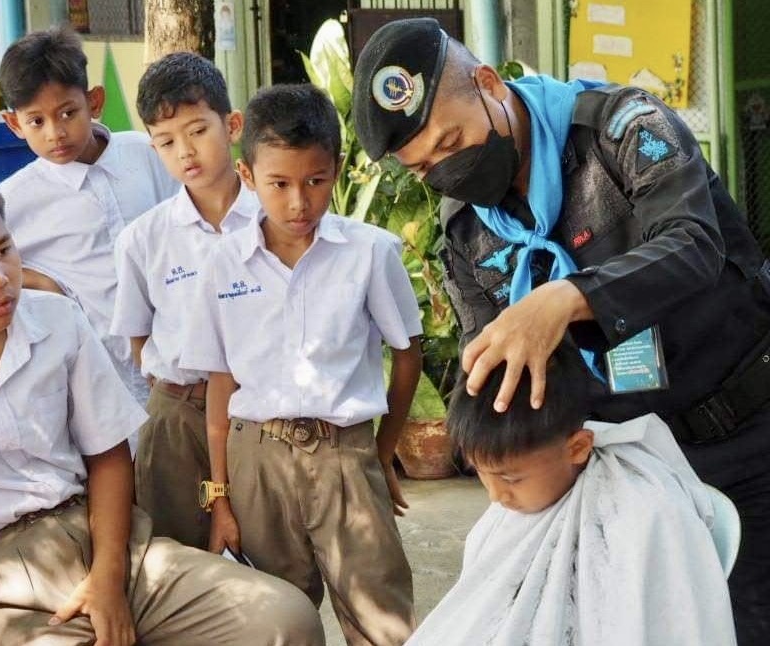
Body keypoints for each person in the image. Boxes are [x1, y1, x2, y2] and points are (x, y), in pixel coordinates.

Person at [352, 17, 770, 643]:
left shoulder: (622, 129)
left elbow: (693, 244)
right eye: (423, 167)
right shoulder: (468, 229)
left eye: (450, 141)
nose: (445, 170)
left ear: (489, 84)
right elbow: (494, 369)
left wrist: (564, 300)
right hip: (622, 473)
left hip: (744, 436)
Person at [0, 160, 324, 646]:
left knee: (285, 620)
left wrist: (109, 580)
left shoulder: (57, 320)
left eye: (3, 251)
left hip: (104, 541)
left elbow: (109, 457)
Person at [180, 83, 423, 645]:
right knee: (276, 615)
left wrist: (381, 452)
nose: (298, 203)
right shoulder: (223, 264)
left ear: (336, 169)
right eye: (279, 184)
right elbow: (221, 384)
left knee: (381, 612)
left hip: (345, 452)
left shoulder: (370, 252)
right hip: (255, 459)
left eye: (316, 181)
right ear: (247, 177)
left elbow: (406, 356)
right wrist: (220, 496)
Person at [406, 341, 736, 645]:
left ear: (577, 447)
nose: (495, 497)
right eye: (481, 474)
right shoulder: (507, 512)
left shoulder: (643, 514)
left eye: (511, 478)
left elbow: (644, 627)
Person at [110, 52, 259, 549]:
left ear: (232, 125)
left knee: (273, 556)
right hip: (176, 414)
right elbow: (139, 341)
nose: (185, 152)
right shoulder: (142, 240)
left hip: (261, 410)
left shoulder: (276, 220)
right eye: (166, 142)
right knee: (172, 554)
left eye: (198, 131)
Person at [0, 27, 178, 407]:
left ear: (94, 101)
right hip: (96, 385)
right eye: (36, 122)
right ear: (14, 124)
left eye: (68, 113)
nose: (56, 133)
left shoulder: (148, 154)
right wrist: (41, 281)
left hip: (178, 367)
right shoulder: (11, 201)